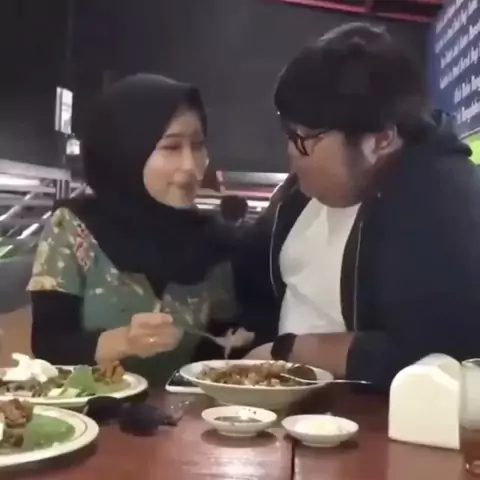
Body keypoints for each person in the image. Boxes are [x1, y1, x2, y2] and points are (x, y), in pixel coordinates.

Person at [234, 23, 480, 391]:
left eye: (303, 140)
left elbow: (439, 355)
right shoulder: (305, 193)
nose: (291, 154)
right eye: (289, 134)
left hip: (368, 418)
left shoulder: (443, 209)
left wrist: (291, 350)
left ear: (381, 140)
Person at [27, 74, 250, 385]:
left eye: (198, 145)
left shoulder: (214, 241)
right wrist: (123, 342)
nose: (191, 165)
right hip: (91, 408)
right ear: (127, 150)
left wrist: (238, 343)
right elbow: (49, 344)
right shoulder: (74, 228)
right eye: (172, 147)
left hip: (187, 412)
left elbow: (218, 343)